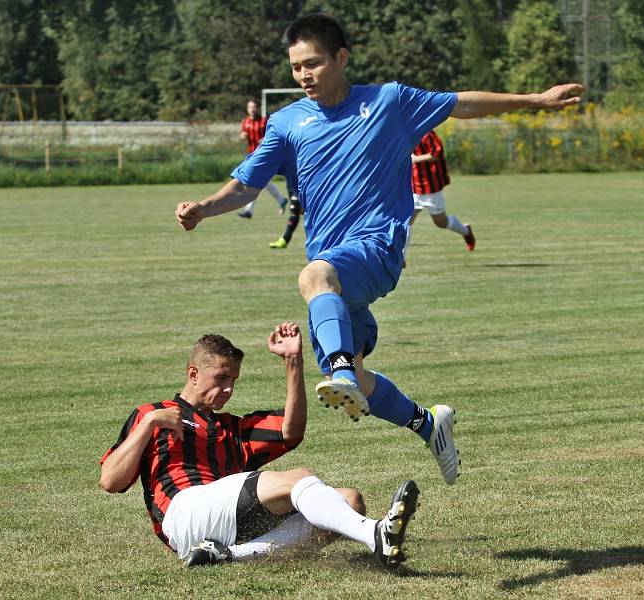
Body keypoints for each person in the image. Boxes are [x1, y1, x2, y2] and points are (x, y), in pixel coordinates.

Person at [175, 13, 583, 486]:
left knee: (314, 283)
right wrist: (204, 208)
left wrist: (535, 100)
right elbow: (248, 184)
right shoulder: (287, 123)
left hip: (375, 247)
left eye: (313, 63)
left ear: (341, 57)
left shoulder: (389, 101)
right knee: (355, 380)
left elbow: (460, 104)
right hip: (334, 266)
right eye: (295, 68)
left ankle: (344, 369)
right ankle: (428, 423)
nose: (304, 75)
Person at [99, 324, 420, 569]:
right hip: (183, 515)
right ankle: (376, 534)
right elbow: (111, 481)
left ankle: (228, 557)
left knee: (349, 501)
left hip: (228, 526)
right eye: (221, 378)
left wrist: (293, 361)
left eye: (234, 381)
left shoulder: (230, 429)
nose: (228, 389)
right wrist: (150, 424)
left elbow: (289, 431)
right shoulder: (151, 414)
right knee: (299, 477)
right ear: (193, 373)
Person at [406, 129, 475, 262]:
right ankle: (401, 257)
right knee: (406, 221)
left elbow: (437, 152)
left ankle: (466, 231)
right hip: (413, 187)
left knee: (441, 222)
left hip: (430, 187)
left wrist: (415, 159)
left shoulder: (427, 133)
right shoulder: (405, 131)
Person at [237, 98, 288, 218]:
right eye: (250, 107)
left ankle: (249, 210)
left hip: (265, 155)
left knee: (253, 181)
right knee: (262, 182)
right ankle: (282, 200)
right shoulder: (246, 121)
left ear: (258, 108)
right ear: (247, 109)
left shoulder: (265, 121)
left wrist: (264, 139)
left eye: (254, 107)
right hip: (252, 155)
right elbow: (242, 135)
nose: (252, 109)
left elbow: (273, 134)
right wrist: (242, 136)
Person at [269, 170, 303, 249]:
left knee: (295, 208)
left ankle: (285, 239)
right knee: (296, 211)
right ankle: (285, 240)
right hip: (291, 181)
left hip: (303, 180)